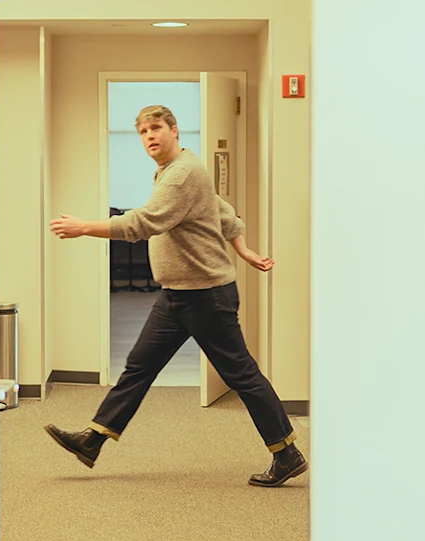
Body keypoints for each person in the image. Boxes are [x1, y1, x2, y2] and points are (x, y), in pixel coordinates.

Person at [44, 105, 307, 487]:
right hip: (177, 295)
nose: (149, 136)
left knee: (242, 375)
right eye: (143, 131)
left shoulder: (181, 175)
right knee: (138, 367)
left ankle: (286, 453)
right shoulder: (174, 170)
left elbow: (143, 223)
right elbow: (223, 212)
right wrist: (245, 250)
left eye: (156, 128)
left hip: (206, 296)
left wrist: (85, 227)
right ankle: (94, 439)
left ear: (174, 130)